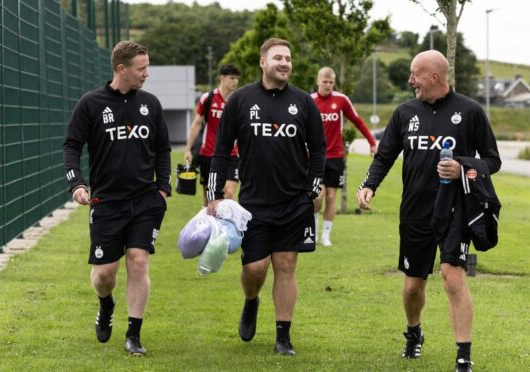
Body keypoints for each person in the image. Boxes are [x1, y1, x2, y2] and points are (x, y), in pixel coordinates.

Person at [357, 50, 501, 372]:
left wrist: (462, 166)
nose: (411, 81)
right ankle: (414, 332)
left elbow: (493, 160)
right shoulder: (404, 112)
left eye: (415, 74)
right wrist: (369, 185)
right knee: (412, 286)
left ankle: (463, 357)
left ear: (433, 77)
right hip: (415, 212)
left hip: (456, 211)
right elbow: (385, 156)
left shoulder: (470, 112)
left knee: (453, 279)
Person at [206, 38, 325, 356]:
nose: (284, 63)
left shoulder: (303, 102)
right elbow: (220, 151)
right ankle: (250, 300)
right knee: (255, 269)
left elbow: (318, 149)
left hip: (294, 202)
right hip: (254, 204)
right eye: (277, 58)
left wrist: (313, 188)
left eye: (288, 58)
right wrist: (214, 195)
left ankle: (283, 337)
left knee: (286, 265)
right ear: (263, 62)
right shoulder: (241, 100)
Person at [63, 41, 170, 356]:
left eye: (147, 67)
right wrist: (77, 184)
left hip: (145, 201)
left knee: (138, 261)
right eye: (141, 69)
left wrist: (162, 189)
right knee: (105, 273)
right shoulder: (91, 103)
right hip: (107, 203)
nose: (146, 74)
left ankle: (134, 335)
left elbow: (163, 149)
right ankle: (106, 303)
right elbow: (72, 146)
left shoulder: (150, 103)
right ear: (121, 69)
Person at [311, 67, 377, 246]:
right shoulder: (310, 101)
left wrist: (372, 142)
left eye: (331, 82)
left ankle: (325, 236)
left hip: (336, 156)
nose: (328, 85)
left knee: (331, 197)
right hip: (316, 157)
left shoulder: (341, 100)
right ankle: (313, 231)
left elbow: (357, 121)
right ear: (318, 82)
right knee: (317, 196)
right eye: (324, 82)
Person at [184, 64, 242, 206]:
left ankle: (229, 228)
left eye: (237, 79)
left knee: (228, 193)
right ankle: (211, 227)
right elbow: (197, 123)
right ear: (222, 78)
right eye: (231, 78)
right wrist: (187, 149)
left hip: (233, 154)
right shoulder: (208, 98)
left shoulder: (238, 100)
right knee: (209, 198)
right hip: (208, 154)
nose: (235, 82)